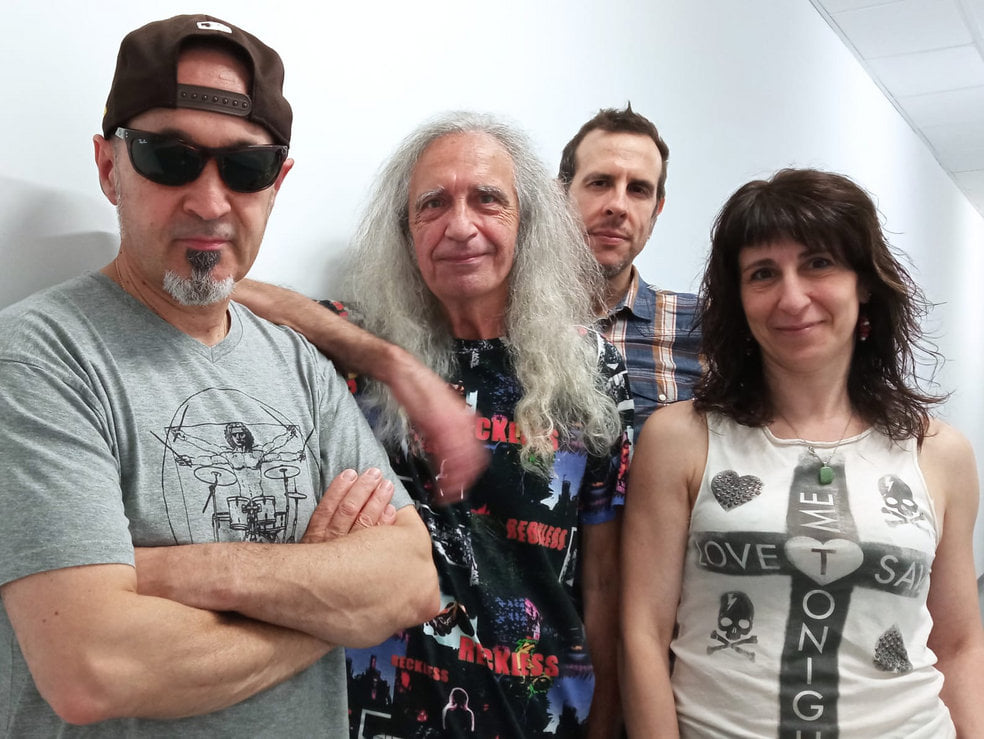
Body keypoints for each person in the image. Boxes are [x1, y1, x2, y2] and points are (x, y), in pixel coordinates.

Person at [0, 14, 453, 735]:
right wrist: (333, 608)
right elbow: (95, 668)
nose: (211, 201)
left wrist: (172, 572)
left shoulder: (298, 363)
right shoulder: (41, 355)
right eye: (171, 157)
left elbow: (410, 580)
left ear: (278, 182)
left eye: (246, 167)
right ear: (109, 168)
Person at [237, 111, 633, 737]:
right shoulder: (350, 348)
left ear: (527, 223)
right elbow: (220, 289)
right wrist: (390, 362)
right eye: (433, 204)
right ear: (406, 232)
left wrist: (608, 723)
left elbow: (606, 581)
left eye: (488, 200)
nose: (461, 226)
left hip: (543, 716)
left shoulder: (591, 367)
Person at [621, 168, 984, 737]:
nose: (792, 298)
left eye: (818, 263)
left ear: (864, 283)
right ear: (739, 299)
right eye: (763, 273)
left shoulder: (938, 453)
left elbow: (959, 644)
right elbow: (642, 634)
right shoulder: (680, 440)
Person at [559, 105, 702, 439]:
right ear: (559, 195)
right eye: (600, 183)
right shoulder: (502, 317)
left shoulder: (702, 329)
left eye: (638, 189)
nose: (618, 206)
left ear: (656, 212)